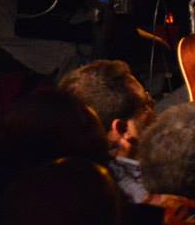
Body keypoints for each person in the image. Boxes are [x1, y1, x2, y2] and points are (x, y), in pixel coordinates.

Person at [58, 59, 156, 204]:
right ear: (122, 129)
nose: (153, 109)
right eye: (147, 104)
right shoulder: (146, 194)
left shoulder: (68, 181)